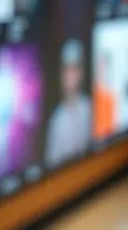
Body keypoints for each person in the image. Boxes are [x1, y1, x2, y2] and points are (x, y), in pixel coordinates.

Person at [45, 39, 92, 167]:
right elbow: (52, 164)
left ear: (81, 73)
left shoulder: (90, 108)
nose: (70, 76)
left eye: (74, 69)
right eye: (67, 70)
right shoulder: (57, 120)